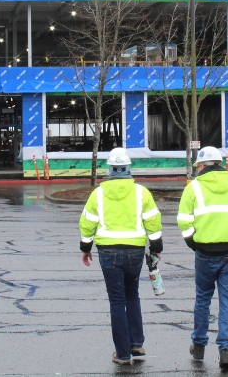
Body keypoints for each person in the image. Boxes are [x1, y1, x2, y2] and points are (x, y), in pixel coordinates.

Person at [79, 148, 163, 365]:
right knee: (132, 295)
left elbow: (88, 223)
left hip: (108, 252)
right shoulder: (141, 192)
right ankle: (137, 343)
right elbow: (153, 222)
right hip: (135, 251)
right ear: (128, 168)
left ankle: (123, 353)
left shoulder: (98, 193)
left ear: (109, 168)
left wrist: (85, 248)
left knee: (117, 301)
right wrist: (156, 247)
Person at [177, 146, 228, 370]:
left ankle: (199, 345)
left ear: (202, 165)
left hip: (205, 252)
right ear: (221, 163)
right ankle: (225, 351)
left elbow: (183, 220)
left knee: (203, 299)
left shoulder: (194, 188)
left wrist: (192, 242)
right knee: (227, 301)